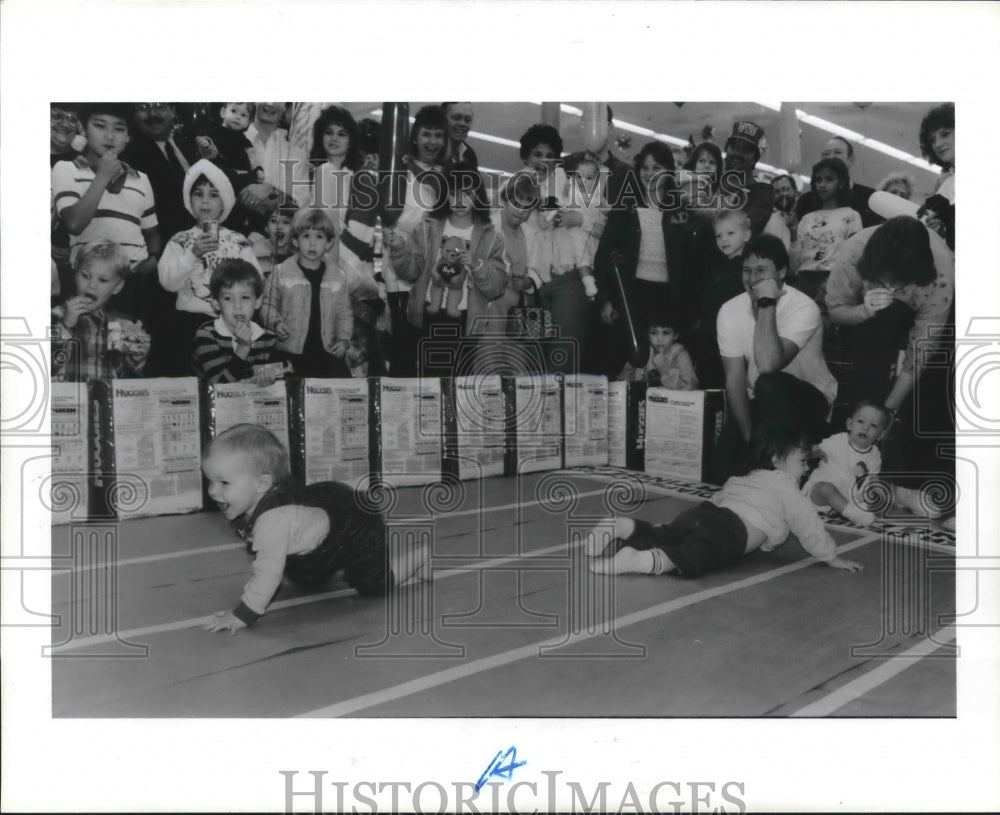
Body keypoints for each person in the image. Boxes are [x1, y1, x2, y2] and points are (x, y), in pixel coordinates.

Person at [201, 424, 431, 634]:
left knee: (373, 584)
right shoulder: (257, 503)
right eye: (210, 481)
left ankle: (420, 558)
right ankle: (322, 562)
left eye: (223, 483)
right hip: (324, 520)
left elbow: (268, 574)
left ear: (262, 484)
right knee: (304, 574)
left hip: (355, 521)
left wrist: (243, 615)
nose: (212, 491)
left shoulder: (272, 522)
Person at [584, 428, 864, 577]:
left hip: (707, 512)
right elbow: (808, 524)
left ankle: (622, 526)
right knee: (697, 553)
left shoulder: (747, 477)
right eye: (802, 461)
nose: (805, 469)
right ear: (778, 460)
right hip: (732, 530)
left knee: (669, 533)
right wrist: (831, 556)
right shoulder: (786, 488)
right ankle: (643, 561)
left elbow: (720, 498)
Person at [713, 234, 838, 481]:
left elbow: (769, 364)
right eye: (747, 270)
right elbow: (735, 380)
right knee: (720, 470)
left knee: (769, 384)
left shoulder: (804, 307)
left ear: (781, 272)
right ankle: (763, 455)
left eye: (762, 270)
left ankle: (789, 456)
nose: (753, 279)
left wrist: (767, 302)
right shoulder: (729, 310)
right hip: (762, 401)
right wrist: (749, 439)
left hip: (810, 403)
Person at [385, 170, 507, 378]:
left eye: (467, 193)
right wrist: (399, 249)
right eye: (453, 193)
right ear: (445, 196)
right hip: (428, 316)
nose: (459, 200)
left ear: (477, 196)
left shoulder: (491, 237)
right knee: (430, 386)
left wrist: (477, 266)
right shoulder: (426, 228)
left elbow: (497, 287)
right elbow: (411, 273)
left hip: (466, 321)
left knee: (461, 386)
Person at [51, 103, 162, 321]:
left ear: (129, 136)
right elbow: (74, 223)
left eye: (119, 129)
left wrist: (153, 259)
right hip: (89, 281)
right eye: (100, 126)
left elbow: (152, 231)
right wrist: (102, 176)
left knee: (131, 347)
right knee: (86, 345)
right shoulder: (66, 169)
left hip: (131, 284)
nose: (110, 136)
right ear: (83, 129)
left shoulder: (141, 179)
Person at [592, 140, 687, 377]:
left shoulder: (681, 212)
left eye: (657, 168)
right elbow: (604, 255)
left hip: (666, 300)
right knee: (622, 363)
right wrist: (606, 298)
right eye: (645, 168)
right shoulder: (625, 207)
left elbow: (690, 265)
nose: (649, 174)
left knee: (658, 367)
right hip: (629, 295)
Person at [158, 160, 262, 374]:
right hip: (190, 325)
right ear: (189, 199)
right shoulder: (180, 239)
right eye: (198, 194)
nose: (205, 202)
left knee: (232, 380)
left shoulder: (238, 240)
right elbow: (167, 282)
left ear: (224, 201)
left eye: (214, 195)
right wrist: (193, 254)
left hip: (233, 324)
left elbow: (257, 283)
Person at [259, 207, 353, 378]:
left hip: (326, 352)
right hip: (290, 353)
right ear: (295, 241)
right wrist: (276, 323)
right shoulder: (280, 272)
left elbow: (344, 313)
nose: (312, 243)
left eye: (319, 237)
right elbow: (267, 306)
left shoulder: (338, 276)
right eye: (306, 236)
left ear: (329, 243)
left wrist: (343, 340)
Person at [51, 240, 150, 382]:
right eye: (85, 276)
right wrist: (65, 325)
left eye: (102, 280)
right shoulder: (55, 316)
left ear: (117, 286)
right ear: (75, 274)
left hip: (100, 402)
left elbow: (119, 378)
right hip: (68, 401)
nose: (91, 285)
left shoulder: (114, 327)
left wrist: (135, 359)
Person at [688, 211, 751, 388]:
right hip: (711, 339)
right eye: (719, 236)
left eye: (731, 233)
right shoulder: (718, 268)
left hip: (734, 342)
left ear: (746, 234)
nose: (724, 240)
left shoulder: (748, 268)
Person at [803, 400, 890, 526]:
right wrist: (809, 452)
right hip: (818, 495)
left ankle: (846, 510)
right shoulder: (838, 441)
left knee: (879, 495)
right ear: (849, 424)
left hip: (848, 498)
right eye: (860, 421)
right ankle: (853, 514)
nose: (865, 427)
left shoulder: (875, 454)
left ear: (881, 435)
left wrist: (872, 493)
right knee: (826, 488)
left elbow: (871, 479)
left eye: (873, 425)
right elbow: (811, 451)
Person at [192, 259, 276, 384]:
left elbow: (274, 385)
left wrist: (268, 382)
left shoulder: (267, 338)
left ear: (258, 301)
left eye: (245, 297)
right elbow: (219, 385)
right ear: (216, 303)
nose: (238, 306)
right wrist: (243, 347)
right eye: (228, 298)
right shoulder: (206, 334)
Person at [788, 158, 862, 301]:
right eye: (818, 180)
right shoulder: (806, 219)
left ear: (841, 183)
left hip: (835, 281)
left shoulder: (851, 216)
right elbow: (794, 265)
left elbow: (854, 258)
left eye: (829, 179)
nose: (822, 185)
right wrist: (793, 233)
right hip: (805, 281)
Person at [795, 136, 883, 228]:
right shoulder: (806, 201)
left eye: (837, 152)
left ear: (851, 159)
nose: (831, 157)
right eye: (826, 153)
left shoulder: (869, 198)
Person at [304, 105, 363, 240]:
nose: (334, 138)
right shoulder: (308, 173)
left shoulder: (358, 180)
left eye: (341, 134)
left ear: (351, 141)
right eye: (329, 132)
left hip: (346, 250)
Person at [619, 308, 698, 390]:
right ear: (647, 334)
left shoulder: (679, 353)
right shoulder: (642, 350)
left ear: (676, 335)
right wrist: (632, 376)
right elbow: (621, 379)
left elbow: (691, 387)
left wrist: (665, 371)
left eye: (666, 333)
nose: (659, 338)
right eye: (653, 333)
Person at [719, 120, 775, 235]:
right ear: (726, 150)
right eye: (734, 147)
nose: (738, 153)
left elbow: (744, 229)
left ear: (755, 159)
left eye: (746, 150)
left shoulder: (762, 194)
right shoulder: (711, 184)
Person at [194, 103, 258, 175]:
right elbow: (206, 141)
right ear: (223, 112)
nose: (238, 117)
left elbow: (252, 157)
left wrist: (257, 169)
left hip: (241, 175)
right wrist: (206, 144)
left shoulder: (243, 139)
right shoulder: (214, 131)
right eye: (233, 111)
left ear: (248, 122)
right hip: (217, 172)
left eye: (243, 115)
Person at [249, 206, 296, 279]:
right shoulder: (253, 256)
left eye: (286, 222)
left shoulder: (301, 257)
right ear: (266, 228)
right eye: (273, 221)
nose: (279, 226)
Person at [441, 102, 478, 170]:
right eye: (456, 118)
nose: (463, 123)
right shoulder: (432, 153)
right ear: (442, 119)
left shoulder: (469, 154)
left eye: (467, 119)